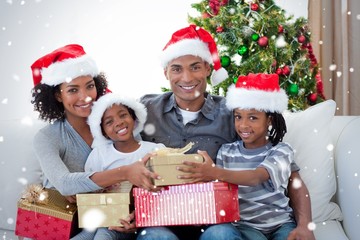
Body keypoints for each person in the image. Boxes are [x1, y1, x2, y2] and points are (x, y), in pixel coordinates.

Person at [138, 25, 316, 240]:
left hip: (213, 220)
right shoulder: (145, 110)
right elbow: (115, 146)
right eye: (176, 69)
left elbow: (289, 175)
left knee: (222, 234)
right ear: (165, 72)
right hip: (162, 217)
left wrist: (305, 224)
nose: (186, 78)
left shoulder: (233, 114)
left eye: (195, 67)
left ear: (207, 69)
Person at [30, 44, 160, 239]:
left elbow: (140, 171)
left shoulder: (117, 125)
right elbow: (65, 184)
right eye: (73, 90)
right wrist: (124, 172)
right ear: (58, 95)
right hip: (69, 223)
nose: (86, 97)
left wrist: (138, 216)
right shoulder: (47, 137)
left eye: (90, 86)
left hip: (114, 220)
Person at [181, 73, 297, 239]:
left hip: (280, 223)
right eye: (238, 117)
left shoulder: (281, 150)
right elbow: (221, 192)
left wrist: (214, 172)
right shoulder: (226, 152)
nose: (243, 125)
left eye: (253, 118)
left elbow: (256, 177)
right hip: (245, 225)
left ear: (269, 120)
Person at [74, 93, 166, 240]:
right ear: (103, 131)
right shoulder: (99, 155)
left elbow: (166, 190)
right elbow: (90, 192)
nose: (118, 123)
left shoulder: (155, 150)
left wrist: (141, 215)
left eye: (123, 115)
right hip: (108, 220)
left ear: (134, 118)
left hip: (144, 221)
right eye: (109, 122)